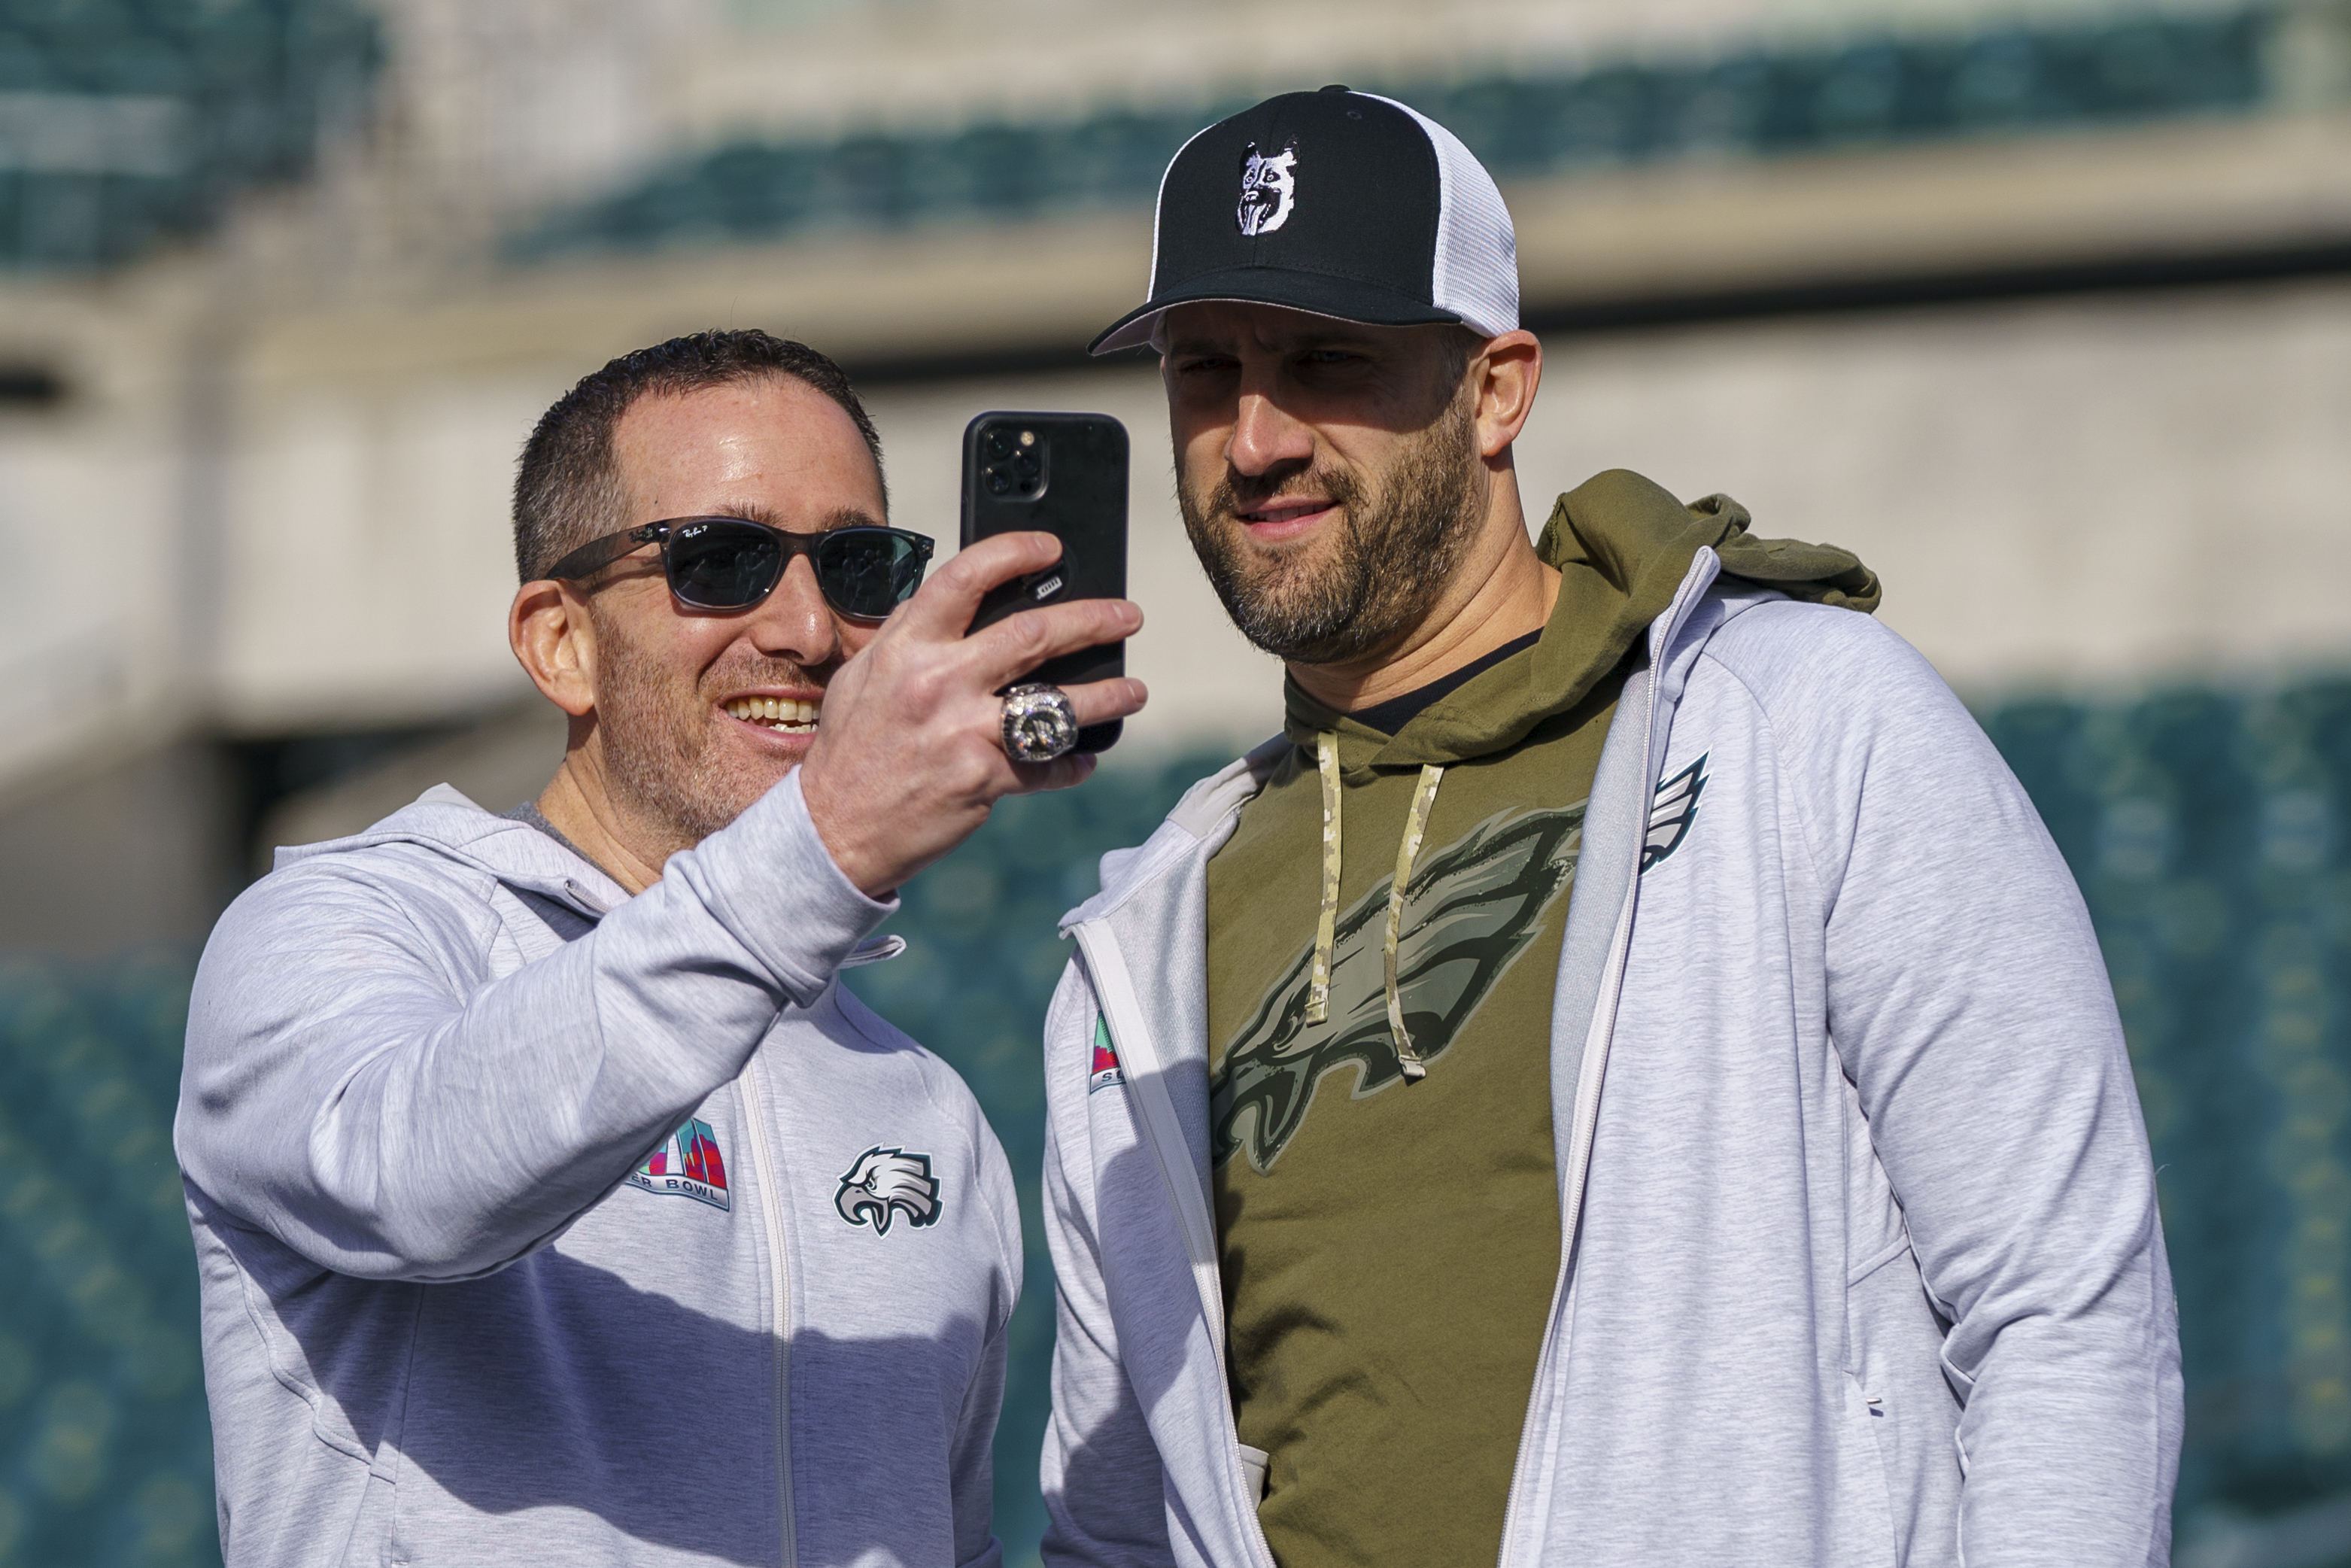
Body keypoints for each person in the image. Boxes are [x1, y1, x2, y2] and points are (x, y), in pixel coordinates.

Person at [1037, 88, 2179, 1568]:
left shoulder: (1804, 724)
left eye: (1328, 361)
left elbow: (2065, 1301)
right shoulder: (1145, 937)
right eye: (1207, 372)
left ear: (1498, 388)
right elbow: (1120, 1528)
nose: (1255, 439)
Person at [175, 330, 1147, 1567]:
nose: (804, 626)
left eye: (860, 566)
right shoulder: (346, 928)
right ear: (558, 642)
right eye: (721, 560)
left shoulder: (924, 1110)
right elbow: (412, 1181)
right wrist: (825, 844)